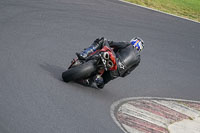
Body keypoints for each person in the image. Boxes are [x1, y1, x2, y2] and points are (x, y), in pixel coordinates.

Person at [76, 37, 144, 89]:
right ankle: (97, 79)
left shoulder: (128, 44)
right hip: (116, 72)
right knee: (101, 85)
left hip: (113, 60)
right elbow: (126, 73)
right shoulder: (138, 60)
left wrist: (107, 44)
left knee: (102, 40)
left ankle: (84, 54)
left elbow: (112, 43)